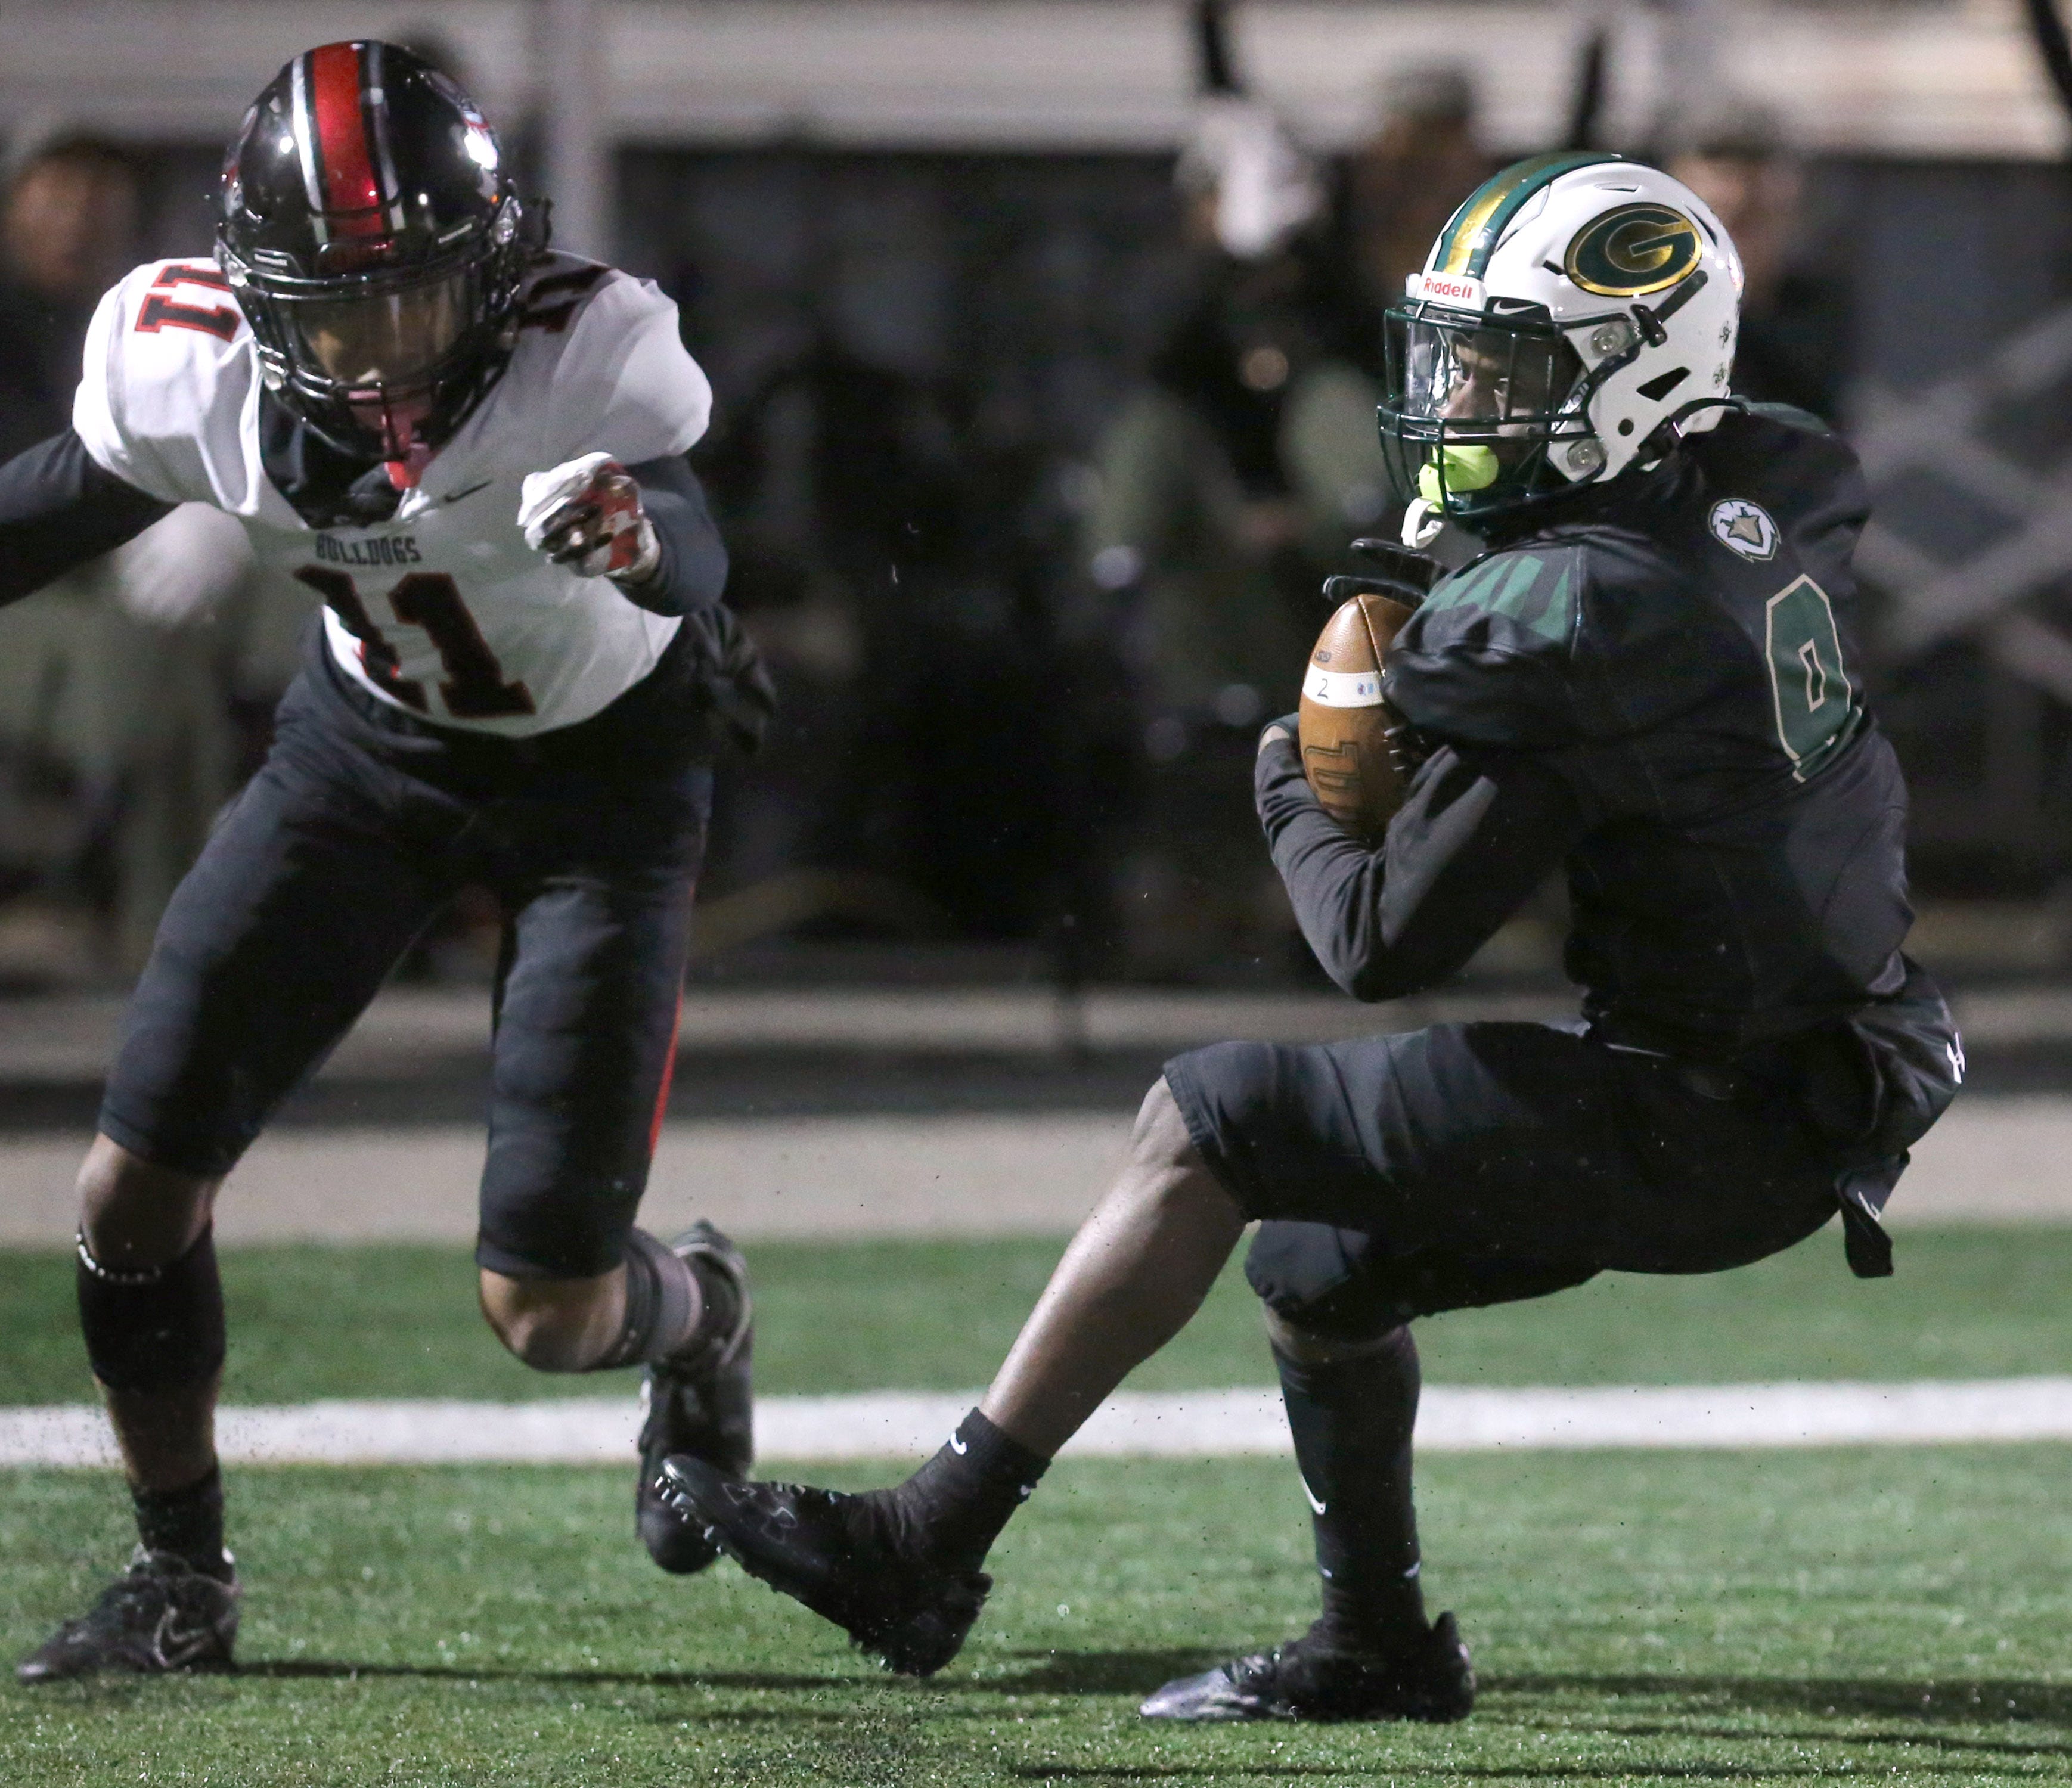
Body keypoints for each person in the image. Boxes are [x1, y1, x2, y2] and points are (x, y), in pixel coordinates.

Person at [657, 153, 1963, 1722]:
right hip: (1814, 1067)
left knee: (1207, 1116)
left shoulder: (1575, 624)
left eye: (1504, 370)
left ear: (1633, 378)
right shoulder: (1760, 486)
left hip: (1712, 1110)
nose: (1457, 401)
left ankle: (922, 1544)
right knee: (1316, 1265)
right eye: (1454, 360)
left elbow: (1375, 942)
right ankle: (1377, 1643)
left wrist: (1286, 771)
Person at [5, 42, 771, 1681]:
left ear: (491, 265)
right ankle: (179, 1573)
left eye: (420, 298)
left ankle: (702, 1311)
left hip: (600, 783)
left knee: (547, 1312)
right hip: (366, 753)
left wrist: (644, 542)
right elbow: (50, 507)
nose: (386, 348)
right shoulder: (195, 370)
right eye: (344, 310)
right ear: (259, 293)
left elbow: (696, 543)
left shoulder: (590, 350)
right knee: (129, 1194)